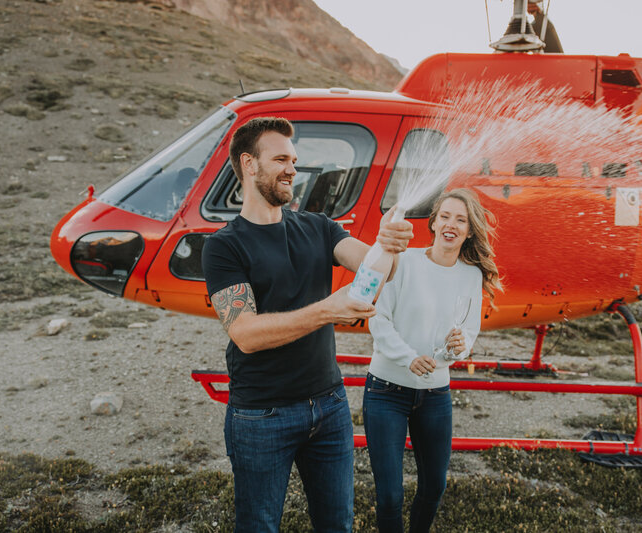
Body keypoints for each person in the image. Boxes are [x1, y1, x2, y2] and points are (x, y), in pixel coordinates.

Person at [201, 116, 413, 533]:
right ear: (249, 164)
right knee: (259, 526)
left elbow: (375, 273)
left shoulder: (319, 227)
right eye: (280, 158)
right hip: (262, 415)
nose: (292, 169)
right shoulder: (224, 246)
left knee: (338, 526)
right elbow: (244, 334)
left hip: (329, 406)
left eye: (294, 159)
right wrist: (326, 310)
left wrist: (388, 247)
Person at [363, 189, 501, 532]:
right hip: (385, 392)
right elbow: (377, 319)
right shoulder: (403, 260)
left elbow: (467, 334)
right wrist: (408, 358)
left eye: (461, 220)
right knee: (390, 496)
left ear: (470, 231)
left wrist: (457, 347)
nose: (451, 225)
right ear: (433, 222)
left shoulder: (471, 275)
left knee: (434, 487)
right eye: (445, 217)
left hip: (436, 396)